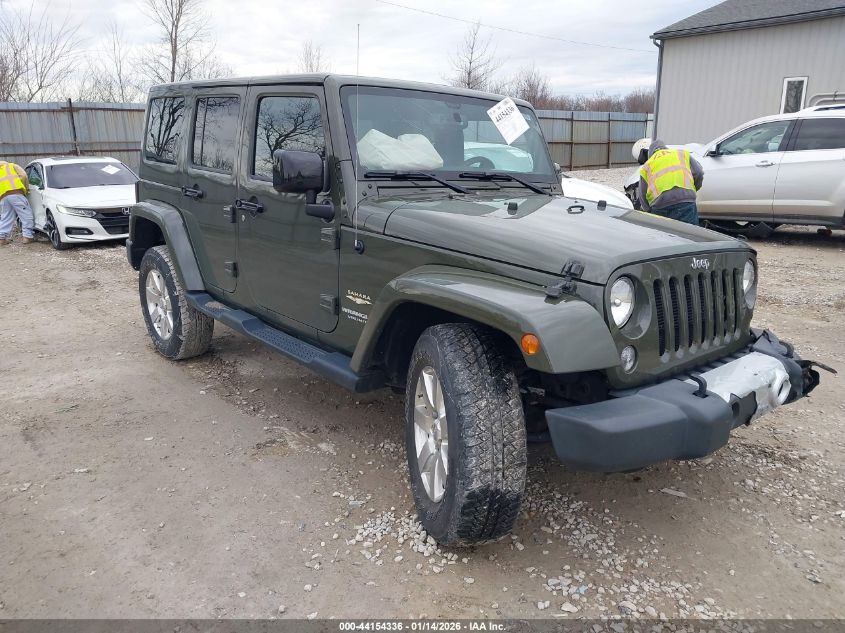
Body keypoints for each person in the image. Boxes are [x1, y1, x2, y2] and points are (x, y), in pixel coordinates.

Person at [637, 139, 704, 225]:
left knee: (664, 235)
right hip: (685, 200)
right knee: (689, 234)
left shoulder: (647, 165)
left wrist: (648, 210)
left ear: (651, 154)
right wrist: (692, 190)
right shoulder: (682, 154)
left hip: (660, 205)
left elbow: (642, 194)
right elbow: (699, 173)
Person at [0, 160, 35, 245]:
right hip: (16, 193)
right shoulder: (12, 166)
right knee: (26, 215)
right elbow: (23, 176)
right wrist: (25, 189)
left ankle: (1, 239)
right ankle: (27, 237)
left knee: (6, 217)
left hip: (3, 197)